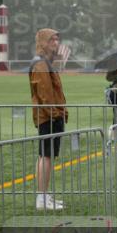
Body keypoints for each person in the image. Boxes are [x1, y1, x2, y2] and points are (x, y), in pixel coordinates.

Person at [28, 28, 70, 210]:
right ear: (43, 42)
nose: (56, 43)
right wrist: (55, 114)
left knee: (47, 156)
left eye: (57, 39)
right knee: (45, 156)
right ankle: (42, 198)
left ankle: (44, 196)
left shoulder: (46, 62)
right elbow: (45, 94)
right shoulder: (40, 64)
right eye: (52, 40)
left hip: (51, 115)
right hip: (48, 117)